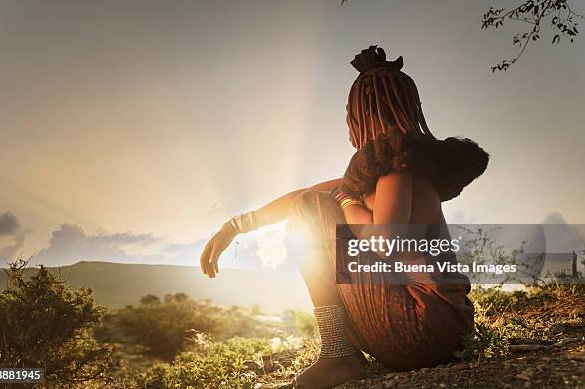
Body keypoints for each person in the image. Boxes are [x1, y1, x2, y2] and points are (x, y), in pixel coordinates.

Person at [200, 46, 489, 388]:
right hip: (441, 331)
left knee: (313, 208)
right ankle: (339, 353)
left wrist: (346, 199)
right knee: (313, 203)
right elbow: (302, 195)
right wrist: (234, 227)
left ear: (363, 114)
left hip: (423, 328)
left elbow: (382, 240)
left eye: (350, 111)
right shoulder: (391, 171)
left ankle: (338, 356)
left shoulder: (401, 171)